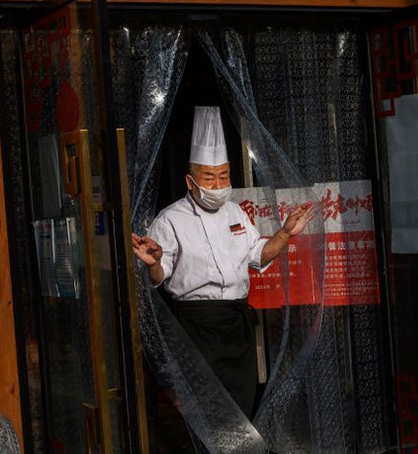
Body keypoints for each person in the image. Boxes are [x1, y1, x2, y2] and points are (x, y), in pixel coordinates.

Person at [131, 106, 315, 418]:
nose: (219, 185)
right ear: (191, 182)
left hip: (236, 323)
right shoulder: (170, 219)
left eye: (224, 176)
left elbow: (258, 256)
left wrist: (284, 234)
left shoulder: (236, 213)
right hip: (196, 325)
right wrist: (153, 262)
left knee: (241, 406)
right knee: (207, 411)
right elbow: (159, 278)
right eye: (210, 178)